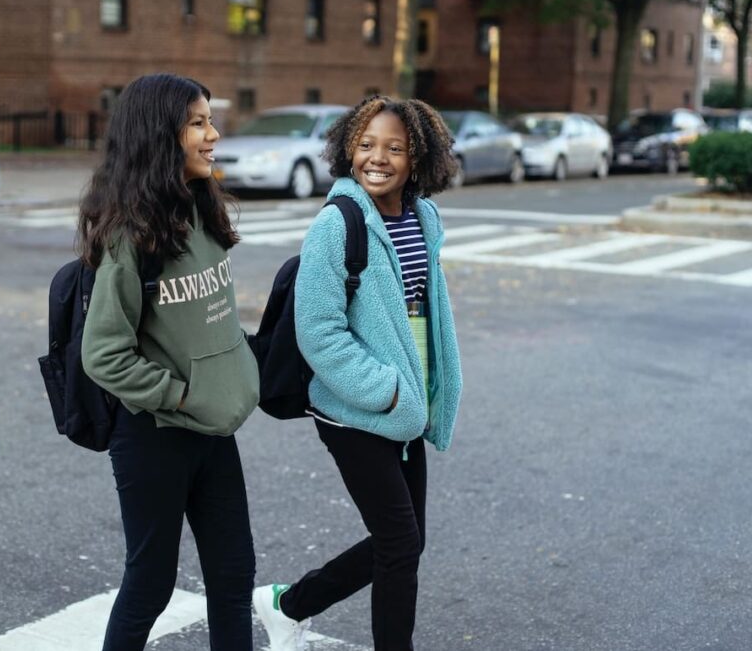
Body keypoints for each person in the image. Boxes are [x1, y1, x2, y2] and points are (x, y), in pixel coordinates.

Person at [253, 95, 464, 651]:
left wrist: (427, 389)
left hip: (406, 405)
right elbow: (319, 332)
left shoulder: (424, 216)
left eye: (395, 147)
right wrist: (387, 390)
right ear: (348, 149)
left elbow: (422, 305)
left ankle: (288, 604)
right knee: (399, 542)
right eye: (367, 145)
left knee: (404, 542)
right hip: (354, 407)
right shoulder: (336, 224)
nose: (379, 157)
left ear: (418, 156)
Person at [78, 73, 260, 651]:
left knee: (233, 578)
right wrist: (180, 394)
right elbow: (102, 353)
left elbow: (212, 322)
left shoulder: (201, 209)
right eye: (198, 123)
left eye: (210, 121)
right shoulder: (131, 236)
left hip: (214, 430)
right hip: (156, 434)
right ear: (161, 135)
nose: (214, 135)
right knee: (150, 585)